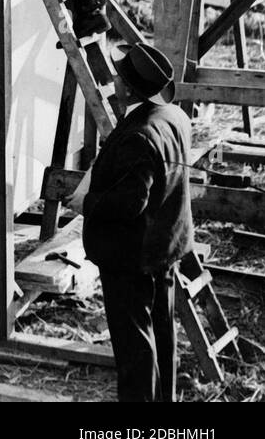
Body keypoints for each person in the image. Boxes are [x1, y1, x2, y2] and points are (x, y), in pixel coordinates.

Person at [70, 43, 194, 402]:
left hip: (131, 257)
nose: (115, 80)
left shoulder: (138, 134)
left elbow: (128, 204)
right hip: (164, 247)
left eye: (120, 76)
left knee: (135, 347)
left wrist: (85, 202)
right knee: (162, 333)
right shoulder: (174, 117)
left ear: (127, 89)